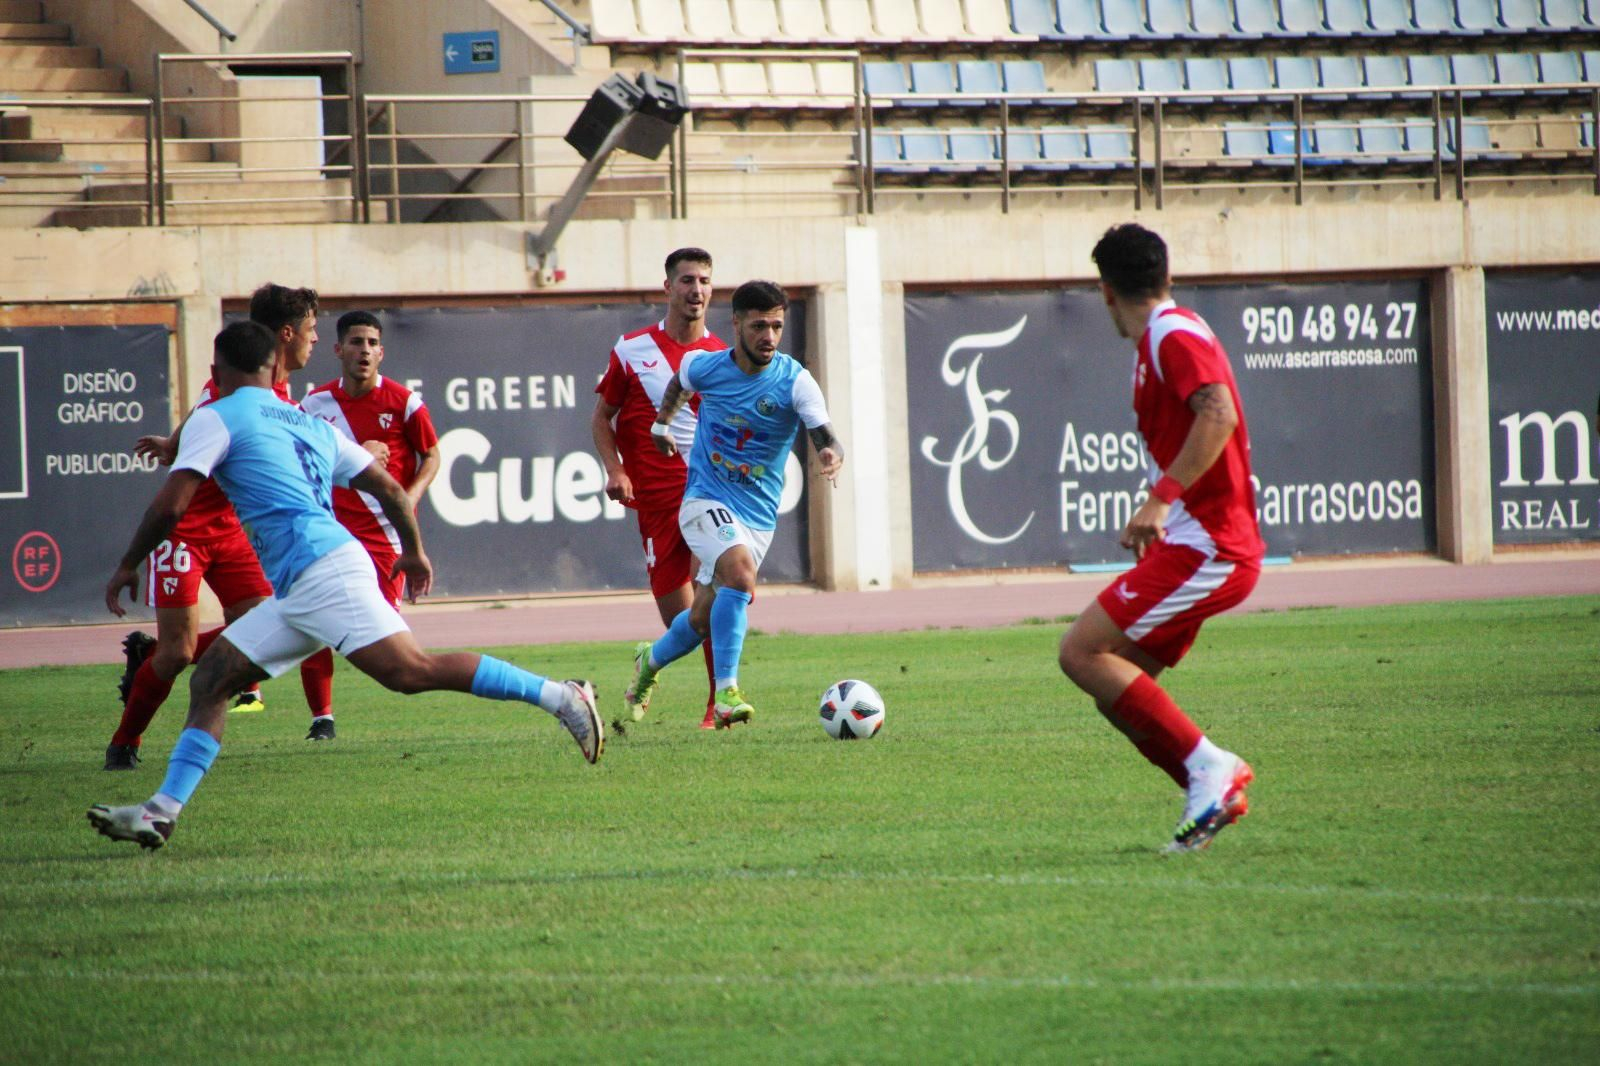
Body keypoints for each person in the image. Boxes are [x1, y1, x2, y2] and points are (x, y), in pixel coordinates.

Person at [88, 321, 601, 851]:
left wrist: (129, 562)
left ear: (217, 370)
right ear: (272, 367)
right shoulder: (306, 421)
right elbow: (392, 490)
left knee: (411, 672)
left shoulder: (215, 416)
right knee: (212, 678)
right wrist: (414, 550)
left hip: (323, 572)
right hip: (302, 584)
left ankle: (561, 696)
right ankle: (161, 812)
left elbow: (171, 505)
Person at [1057, 223, 1265, 853]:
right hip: (1198, 543)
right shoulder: (1163, 336)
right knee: (1114, 689)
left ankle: (1210, 768)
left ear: (1105, 291)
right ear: (1166, 275)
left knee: (1081, 654)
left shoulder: (1172, 334)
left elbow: (1219, 412)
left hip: (1210, 546)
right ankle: (1209, 791)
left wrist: (1159, 500)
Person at [103, 283, 328, 770]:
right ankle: (124, 743)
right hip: (186, 531)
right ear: (287, 335)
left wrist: (174, 439)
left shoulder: (277, 389)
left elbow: (208, 408)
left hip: (232, 532)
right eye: (312, 330)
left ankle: (152, 658)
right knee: (178, 653)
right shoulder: (247, 382)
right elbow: (211, 407)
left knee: (261, 632)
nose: (316, 340)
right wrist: (178, 445)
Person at [624, 280, 843, 728]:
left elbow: (825, 433)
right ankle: (726, 694)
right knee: (741, 574)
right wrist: (663, 424)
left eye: (777, 326)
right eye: (760, 325)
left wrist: (829, 453)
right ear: (737, 322)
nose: (769, 336)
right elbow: (679, 384)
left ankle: (650, 661)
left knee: (703, 617)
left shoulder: (795, 381)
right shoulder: (706, 366)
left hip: (757, 516)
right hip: (703, 498)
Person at [592, 247, 727, 730]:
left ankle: (720, 703)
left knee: (716, 598)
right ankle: (650, 661)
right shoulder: (631, 349)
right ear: (668, 287)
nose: (697, 290)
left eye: (705, 281)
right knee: (684, 620)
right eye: (687, 280)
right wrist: (616, 469)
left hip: (710, 496)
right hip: (655, 501)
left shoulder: (721, 358)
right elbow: (602, 418)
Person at [299, 310, 441, 741]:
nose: (364, 350)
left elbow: (432, 455)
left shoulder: (404, 402)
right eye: (356, 342)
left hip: (384, 533)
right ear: (338, 349)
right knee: (314, 621)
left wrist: (409, 498)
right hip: (329, 529)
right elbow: (301, 463)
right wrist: (354, 453)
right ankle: (322, 717)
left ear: (382, 351)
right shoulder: (314, 406)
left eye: (372, 343)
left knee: (381, 634)